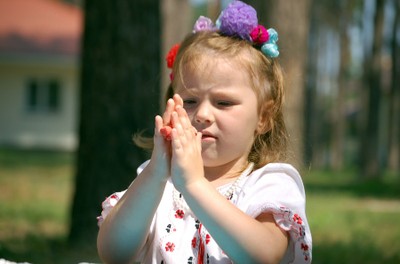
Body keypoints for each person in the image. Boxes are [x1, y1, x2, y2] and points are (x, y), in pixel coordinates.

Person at [96, 1, 312, 263]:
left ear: (263, 118)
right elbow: (113, 253)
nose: (202, 115)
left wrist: (195, 185)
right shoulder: (158, 183)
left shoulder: (269, 184)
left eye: (223, 103)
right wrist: (156, 172)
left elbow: (264, 255)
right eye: (189, 101)